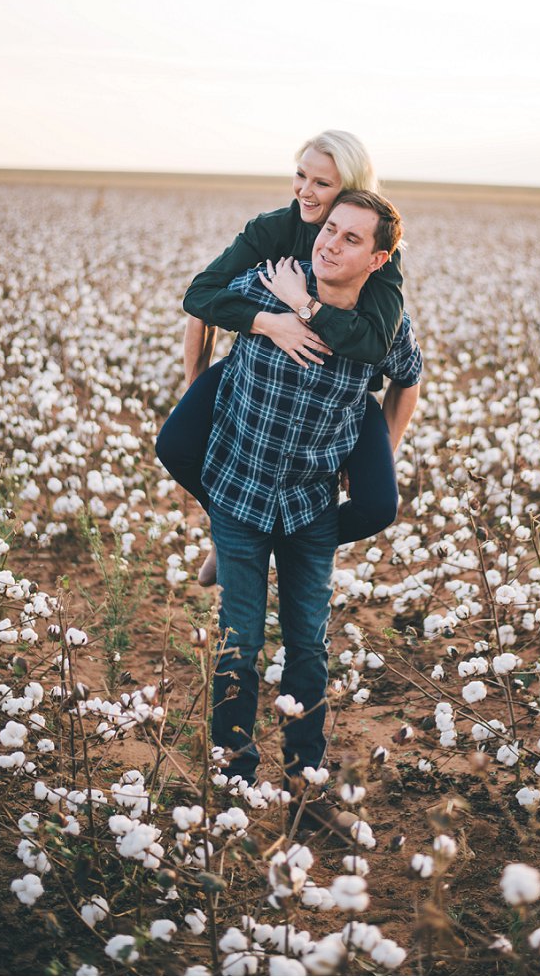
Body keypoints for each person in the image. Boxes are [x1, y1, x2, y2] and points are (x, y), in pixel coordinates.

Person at [192, 191, 422, 833]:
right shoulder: (268, 283)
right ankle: (234, 781)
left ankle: (304, 785)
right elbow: (202, 307)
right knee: (240, 642)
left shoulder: (381, 330)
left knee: (307, 649)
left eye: (352, 238)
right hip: (239, 495)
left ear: (377, 260)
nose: (330, 243)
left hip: (309, 508)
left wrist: (378, 456)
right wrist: (201, 381)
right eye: (330, 229)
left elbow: (409, 378)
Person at [155, 131, 405, 587]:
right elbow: (201, 297)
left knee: (377, 504)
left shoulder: (377, 249)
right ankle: (233, 531)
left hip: (341, 392)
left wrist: (305, 308)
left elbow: (378, 346)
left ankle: (289, 540)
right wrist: (268, 324)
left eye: (322, 183)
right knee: (175, 445)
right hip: (260, 373)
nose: (305, 191)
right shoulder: (272, 228)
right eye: (301, 175)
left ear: (350, 190)